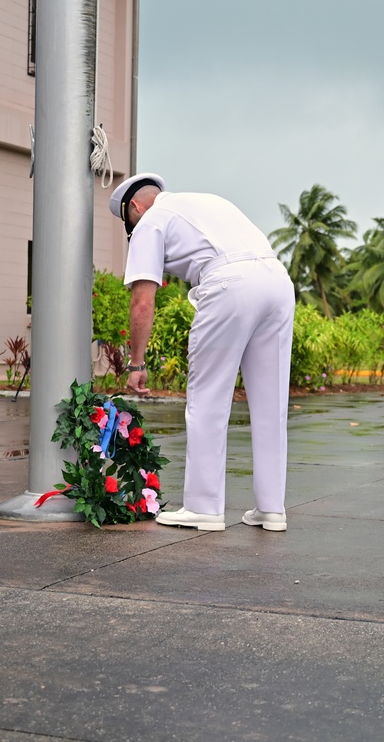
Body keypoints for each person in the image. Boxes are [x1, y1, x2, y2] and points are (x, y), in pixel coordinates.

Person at [110, 173, 296, 532]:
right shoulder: (208, 202)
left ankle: (203, 507)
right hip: (277, 281)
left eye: (127, 222)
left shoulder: (150, 221)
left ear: (134, 207)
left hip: (229, 285)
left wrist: (136, 363)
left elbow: (142, 301)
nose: (131, 230)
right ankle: (272, 509)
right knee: (271, 404)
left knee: (208, 396)